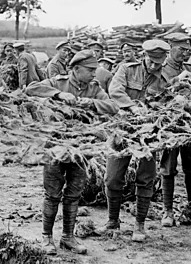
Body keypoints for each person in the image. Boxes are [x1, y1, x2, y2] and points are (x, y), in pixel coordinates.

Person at [26, 50, 118, 255]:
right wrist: (58, 94)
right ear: (75, 69)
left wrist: (91, 103)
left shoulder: (94, 88)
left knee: (74, 193)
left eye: (95, 70)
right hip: (55, 147)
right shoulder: (58, 83)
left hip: (81, 149)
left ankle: (68, 237)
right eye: (90, 70)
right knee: (52, 194)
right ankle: (46, 237)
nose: (94, 74)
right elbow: (31, 89)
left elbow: (113, 106)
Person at [95, 39, 170, 242]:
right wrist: (133, 107)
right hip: (123, 130)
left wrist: (156, 114)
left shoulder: (164, 79)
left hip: (149, 134)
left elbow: (167, 103)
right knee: (112, 178)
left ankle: (140, 225)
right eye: (151, 61)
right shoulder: (127, 69)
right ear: (144, 55)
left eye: (159, 62)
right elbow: (115, 90)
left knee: (146, 178)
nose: (154, 66)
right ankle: (112, 221)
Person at [160, 33, 191, 227]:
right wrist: (177, 81)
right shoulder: (160, 68)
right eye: (181, 49)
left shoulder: (189, 68)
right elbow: (159, 94)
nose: (184, 54)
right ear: (170, 47)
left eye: (187, 50)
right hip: (169, 124)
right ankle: (167, 211)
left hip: (188, 124)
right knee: (168, 167)